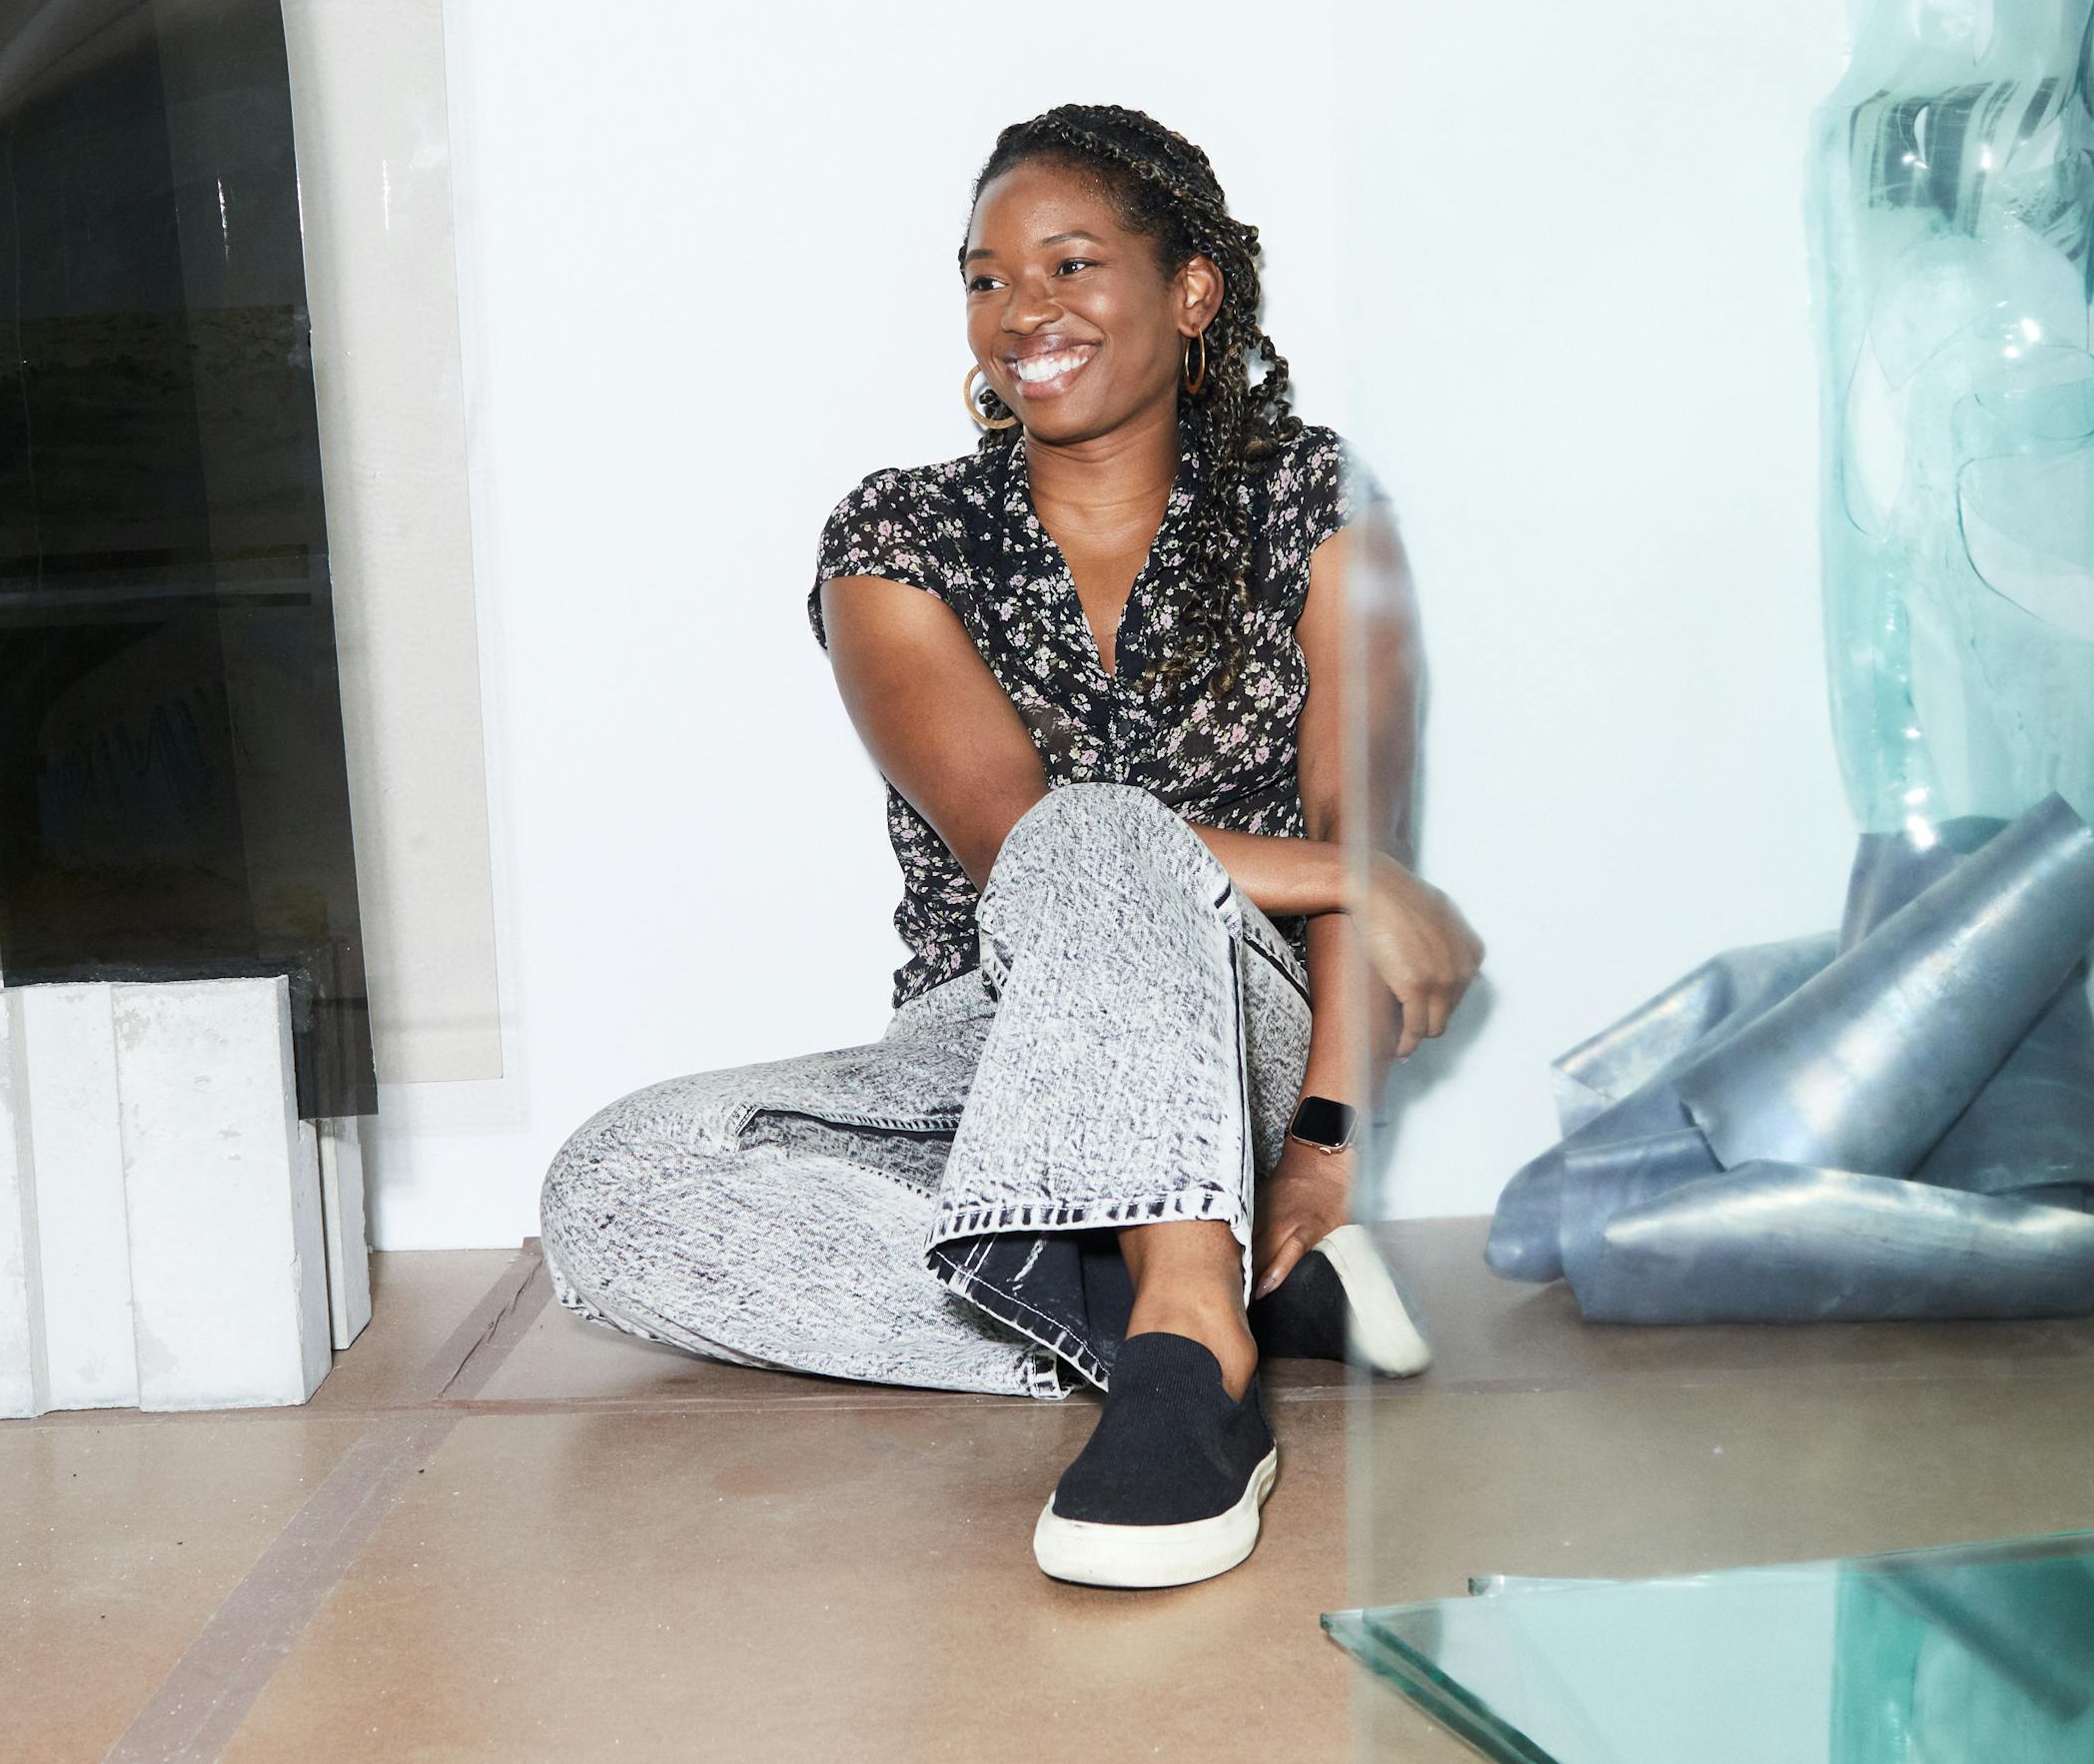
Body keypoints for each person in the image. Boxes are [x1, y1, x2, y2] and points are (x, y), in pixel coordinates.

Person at [537, 104, 1485, 1590]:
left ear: (1191, 292)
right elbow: (1016, 846)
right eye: (986, 277)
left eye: (1069, 262)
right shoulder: (896, 541)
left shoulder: (1313, 502)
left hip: (1233, 1016)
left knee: (1108, 833)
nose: (1020, 310)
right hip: (984, 1045)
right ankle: (1198, 1282)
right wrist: (1353, 877)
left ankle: (1186, 1348)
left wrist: (1323, 1138)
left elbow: (1352, 807)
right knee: (612, 1192)